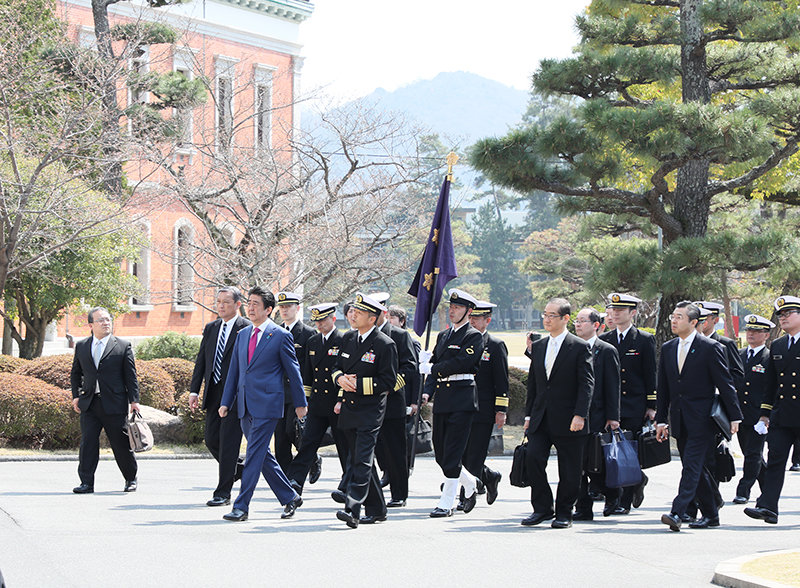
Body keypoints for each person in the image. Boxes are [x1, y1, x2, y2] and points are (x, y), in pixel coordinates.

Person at [219, 287, 307, 522]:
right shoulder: (243, 335)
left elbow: (293, 372)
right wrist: (226, 401)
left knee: (253, 454)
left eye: (256, 303)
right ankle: (290, 497)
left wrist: (300, 402)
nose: (251, 307)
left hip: (268, 404)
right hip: (245, 404)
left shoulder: (280, 335)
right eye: (249, 302)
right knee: (262, 455)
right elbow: (234, 373)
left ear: (269, 310)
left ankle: (241, 506)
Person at [656, 301, 742, 531]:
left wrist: (735, 417)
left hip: (703, 419)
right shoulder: (668, 348)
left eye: (679, 317)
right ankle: (712, 514)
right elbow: (663, 388)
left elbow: (725, 385)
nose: (673, 320)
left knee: (692, 466)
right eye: (673, 316)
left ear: (694, 322)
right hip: (679, 418)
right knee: (697, 466)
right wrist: (661, 419)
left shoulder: (710, 348)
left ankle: (677, 511)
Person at [522, 298, 594, 529]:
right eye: (545, 314)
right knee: (533, 458)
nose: (546, 319)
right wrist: (528, 415)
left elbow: (586, 385)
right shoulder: (540, 346)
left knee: (570, 469)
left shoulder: (579, 347)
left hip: (569, 418)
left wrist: (580, 414)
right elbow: (533, 383)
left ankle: (565, 512)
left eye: (552, 315)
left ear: (565, 319)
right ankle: (542, 508)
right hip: (541, 417)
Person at [332, 292, 398, 528]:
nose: (353, 315)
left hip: (370, 411)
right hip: (349, 409)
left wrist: (358, 385)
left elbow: (389, 382)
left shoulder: (384, 344)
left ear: (372, 318)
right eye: (353, 311)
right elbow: (336, 367)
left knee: (360, 461)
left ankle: (352, 509)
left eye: (359, 313)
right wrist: (340, 379)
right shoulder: (349, 339)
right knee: (360, 460)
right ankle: (378, 509)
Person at [419, 289, 485, 517]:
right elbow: (435, 365)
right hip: (444, 399)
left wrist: (433, 367)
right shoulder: (444, 336)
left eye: (457, 308)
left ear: (469, 311)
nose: (452, 311)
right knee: (441, 454)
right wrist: (426, 390)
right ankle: (471, 483)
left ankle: (447, 502)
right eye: (451, 307)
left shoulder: (474, 336)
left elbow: (462, 362)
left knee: (453, 454)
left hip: (462, 398)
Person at [188, 287, 251, 507]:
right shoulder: (212, 328)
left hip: (235, 395)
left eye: (226, 302)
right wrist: (194, 390)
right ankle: (240, 469)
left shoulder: (247, 329)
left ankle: (223, 492)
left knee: (228, 443)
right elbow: (201, 361)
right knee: (211, 439)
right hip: (214, 392)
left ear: (237, 304)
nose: (221, 306)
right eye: (218, 302)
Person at [70, 307, 140, 494]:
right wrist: (76, 396)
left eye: (108, 319)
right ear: (91, 324)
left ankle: (130, 478)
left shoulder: (122, 345)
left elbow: (130, 376)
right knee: (88, 444)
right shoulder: (83, 345)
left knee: (120, 444)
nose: (106, 323)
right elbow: (76, 373)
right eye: (101, 320)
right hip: (90, 403)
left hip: (114, 403)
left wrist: (134, 400)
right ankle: (86, 482)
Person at [745, 296, 800, 525]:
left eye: (788, 313)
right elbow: (771, 384)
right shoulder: (777, 345)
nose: (783, 318)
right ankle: (768, 507)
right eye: (780, 315)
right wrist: (765, 414)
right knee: (775, 459)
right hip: (783, 415)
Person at [599, 292, 656, 514]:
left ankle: (625, 500)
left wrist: (651, 405)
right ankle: (613, 496)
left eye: (621, 310)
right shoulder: (605, 340)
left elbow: (650, 373)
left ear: (632, 313)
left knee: (628, 453)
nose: (615, 313)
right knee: (606, 453)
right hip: (609, 405)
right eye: (613, 310)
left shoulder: (643, 339)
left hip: (633, 404)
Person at [285, 303, 348, 494]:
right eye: (317, 321)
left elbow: (346, 372)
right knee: (308, 443)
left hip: (337, 404)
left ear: (333, 319)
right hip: (318, 403)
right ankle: (296, 481)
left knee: (344, 446)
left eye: (323, 320)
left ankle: (348, 484)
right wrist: (304, 402)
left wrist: (340, 400)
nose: (319, 325)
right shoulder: (313, 342)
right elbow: (308, 375)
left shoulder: (344, 340)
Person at [572, 308, 621, 521]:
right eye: (577, 321)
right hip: (575, 414)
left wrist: (613, 417)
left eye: (583, 321)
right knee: (578, 463)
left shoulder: (606, 350)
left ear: (596, 325)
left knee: (599, 461)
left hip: (599, 415)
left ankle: (613, 497)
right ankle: (582, 506)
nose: (578, 324)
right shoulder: (572, 347)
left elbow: (613, 386)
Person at [373, 293, 418, 508]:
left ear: (383, 312)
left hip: (392, 402)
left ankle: (399, 493)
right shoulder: (362, 336)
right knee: (374, 449)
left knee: (395, 450)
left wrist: (390, 386)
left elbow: (410, 367)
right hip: (368, 403)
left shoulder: (400, 336)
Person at [461, 300, 508, 508]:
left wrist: (501, 410)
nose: (472, 321)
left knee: (475, 453)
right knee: (460, 452)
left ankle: (466, 496)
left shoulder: (495, 345)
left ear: (487, 320)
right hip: (461, 405)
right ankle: (488, 476)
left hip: (484, 408)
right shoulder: (461, 340)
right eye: (470, 317)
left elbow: (502, 380)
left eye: (477, 318)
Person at [274, 292, 321, 483]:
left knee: (293, 432)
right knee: (280, 439)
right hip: (277, 394)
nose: (284, 310)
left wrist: (307, 397)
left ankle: (312, 458)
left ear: (297, 308)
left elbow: (312, 368)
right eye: (282, 307)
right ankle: (287, 479)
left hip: (297, 393)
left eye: (289, 307)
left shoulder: (308, 334)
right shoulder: (275, 331)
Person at [732, 314, 774, 504]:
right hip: (740, 413)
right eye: (749, 330)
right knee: (751, 453)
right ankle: (768, 488)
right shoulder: (738, 355)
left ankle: (744, 490)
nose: (751, 334)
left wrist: (767, 415)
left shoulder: (770, 357)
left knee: (753, 453)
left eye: (757, 331)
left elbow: (772, 388)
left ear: (766, 335)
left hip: (759, 414)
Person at [695, 301, 745, 390]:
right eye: (698, 318)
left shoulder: (725, 344)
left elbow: (737, 376)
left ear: (716, 320)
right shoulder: (689, 343)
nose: (701, 322)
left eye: (704, 318)